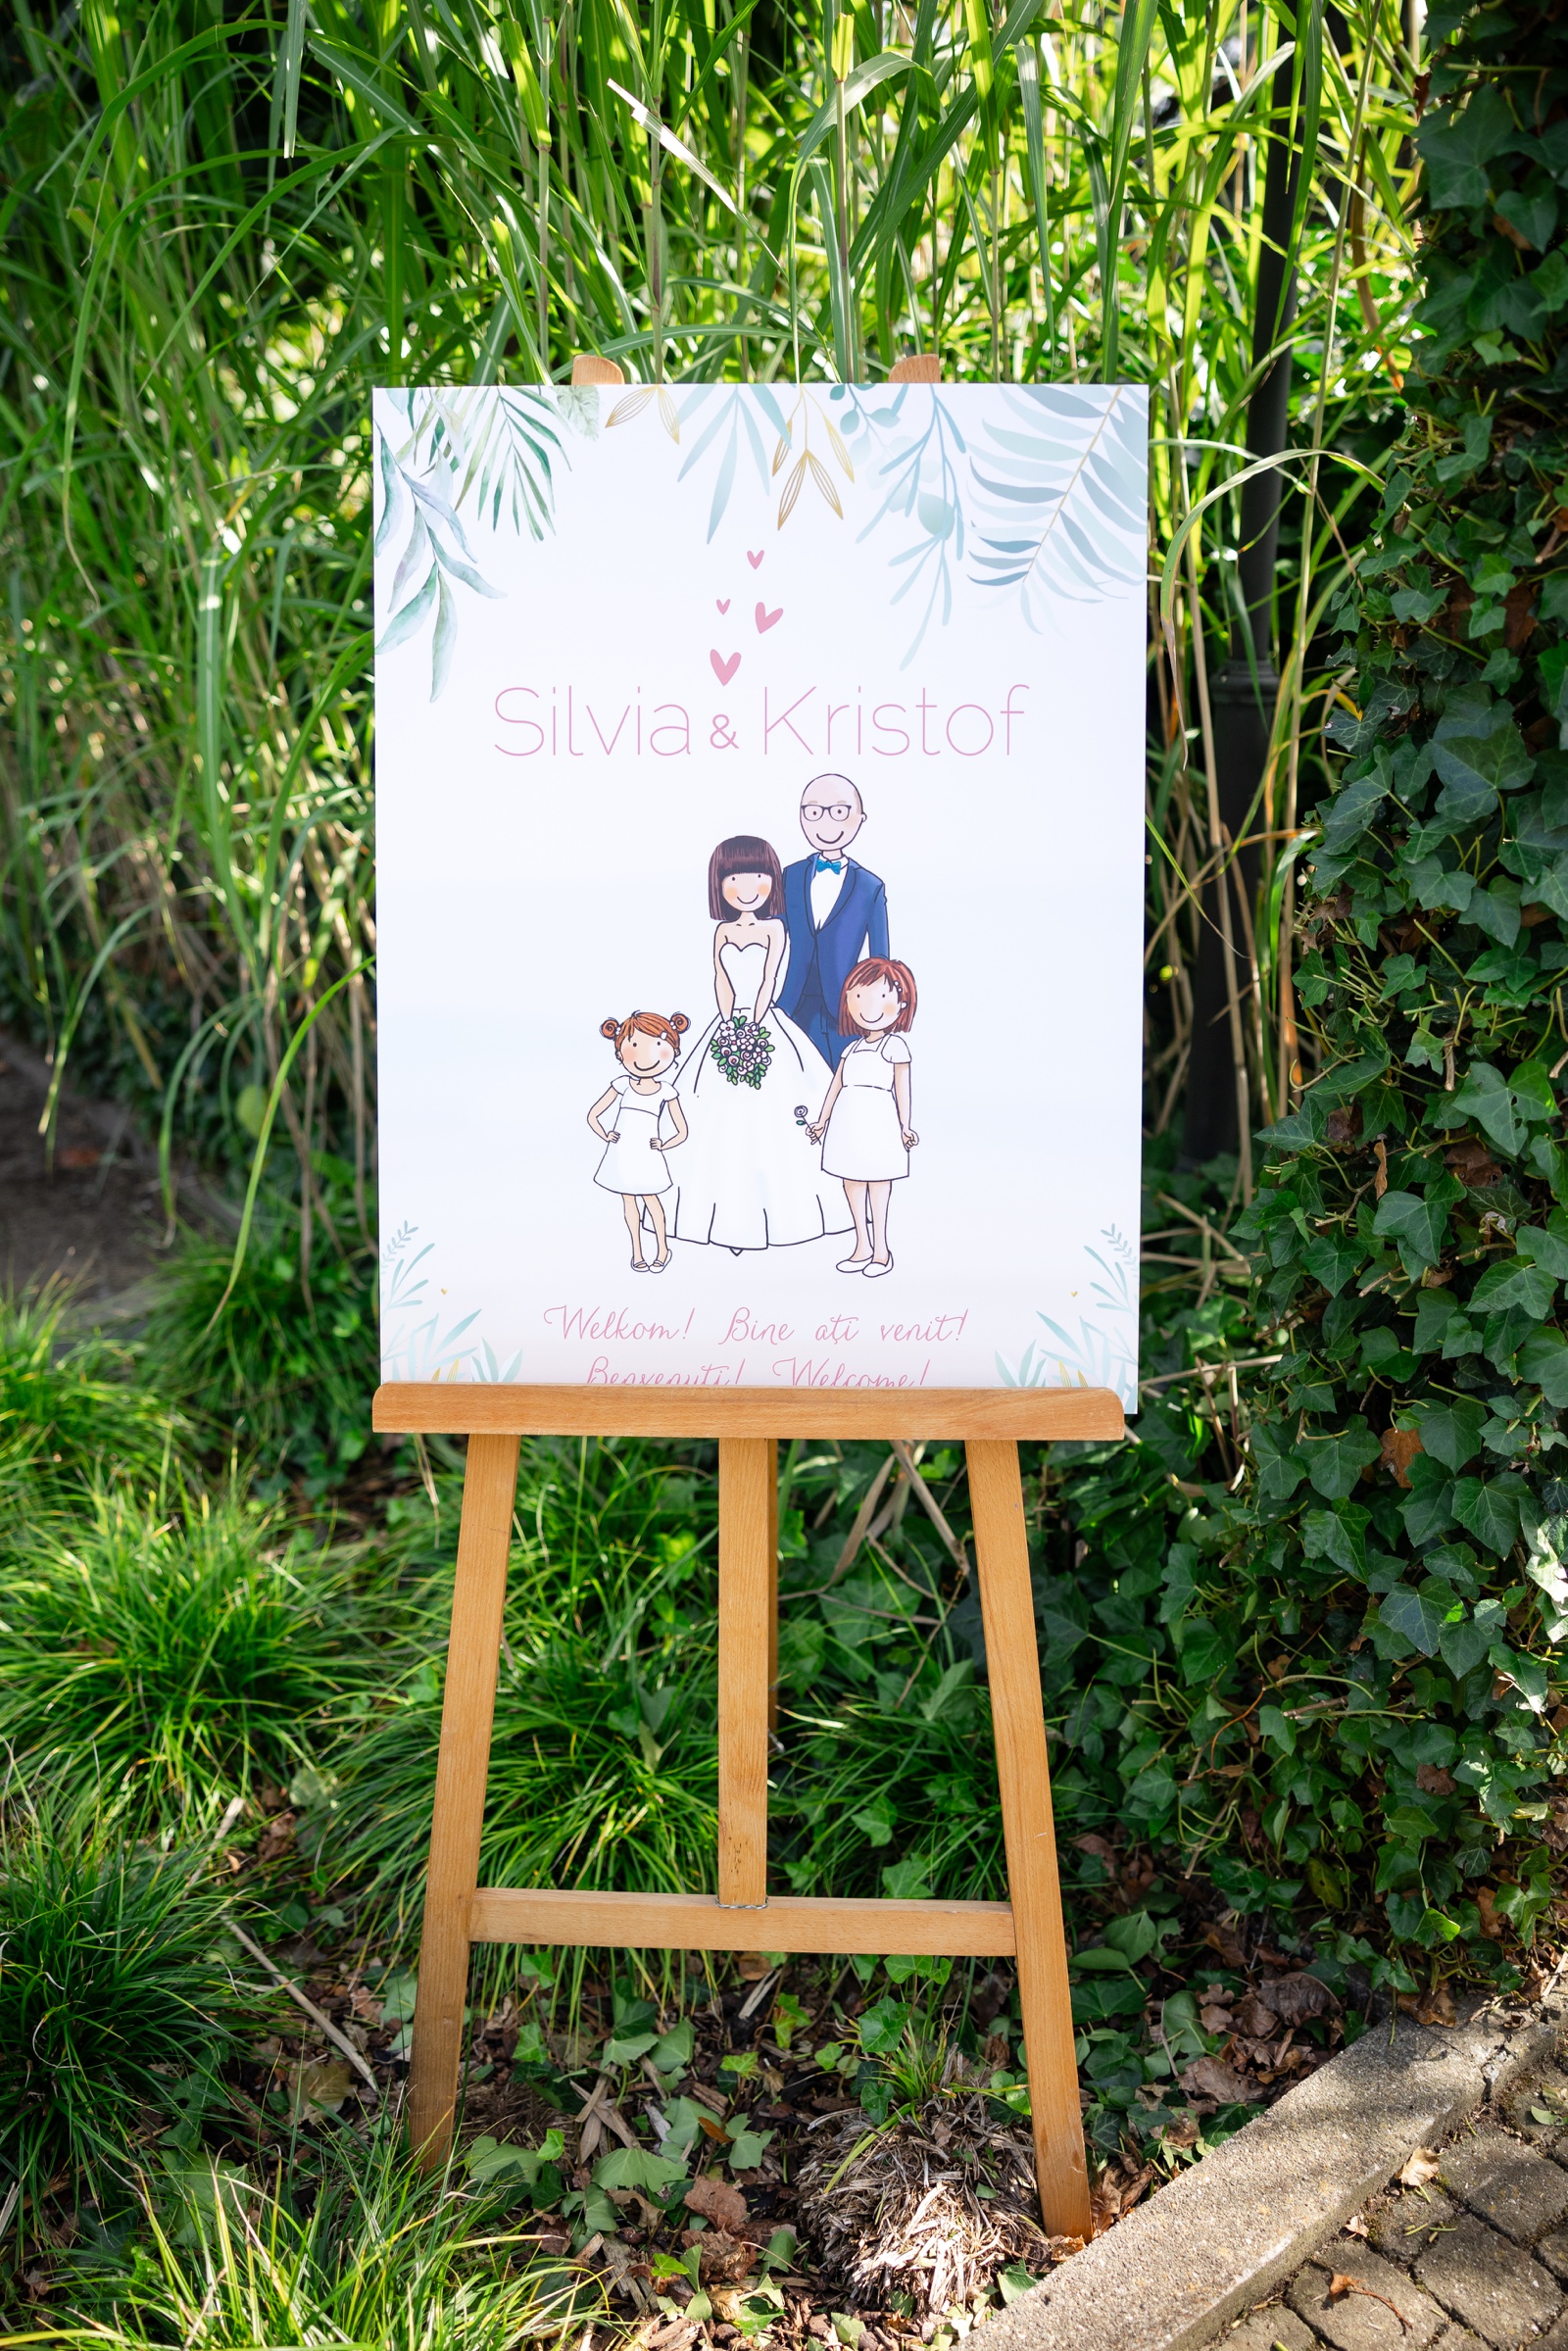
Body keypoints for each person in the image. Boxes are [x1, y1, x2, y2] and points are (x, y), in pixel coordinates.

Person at [672, 835, 853, 1252]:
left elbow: (771, 976)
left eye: (758, 874)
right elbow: (720, 976)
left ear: (772, 879)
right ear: (719, 884)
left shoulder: (775, 928)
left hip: (764, 1021)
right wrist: (728, 1019)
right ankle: (724, 1219)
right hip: (726, 1022)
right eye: (734, 876)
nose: (747, 885)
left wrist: (752, 1022)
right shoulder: (722, 931)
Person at [808, 958, 919, 1278]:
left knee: (878, 1184)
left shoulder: (894, 1045)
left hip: (879, 1119)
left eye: (881, 997)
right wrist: (822, 1120)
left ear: (902, 1003)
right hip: (847, 1119)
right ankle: (861, 1246)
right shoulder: (852, 1048)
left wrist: (905, 1126)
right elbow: (836, 1086)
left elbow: (903, 1090)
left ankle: (881, 1250)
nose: (868, 1005)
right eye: (858, 996)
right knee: (852, 1182)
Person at [776, 776, 890, 1071]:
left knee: (842, 1081)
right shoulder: (790, 876)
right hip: (793, 1001)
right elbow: (771, 940)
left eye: (839, 812)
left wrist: (875, 1008)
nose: (825, 824)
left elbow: (880, 957)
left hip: (846, 1006)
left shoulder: (870, 886)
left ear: (860, 818)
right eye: (814, 812)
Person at [586, 1009, 690, 1271]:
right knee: (629, 1202)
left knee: (651, 1199)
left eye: (657, 1045)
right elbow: (593, 1115)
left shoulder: (666, 1091)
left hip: (647, 1152)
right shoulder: (621, 1084)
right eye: (634, 1046)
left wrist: (664, 1144)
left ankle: (663, 1249)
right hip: (622, 1152)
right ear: (621, 1052)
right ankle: (637, 1253)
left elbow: (682, 1131)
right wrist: (606, 1135)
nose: (646, 1056)